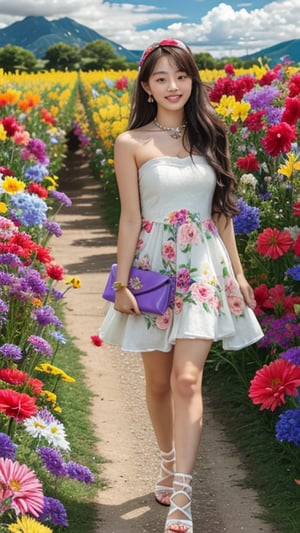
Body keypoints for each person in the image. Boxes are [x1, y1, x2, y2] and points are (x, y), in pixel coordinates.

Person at [99, 38, 263, 533]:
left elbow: (221, 213)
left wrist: (238, 273)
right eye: (162, 78)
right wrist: (122, 282)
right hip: (153, 268)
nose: (174, 86)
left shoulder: (212, 133)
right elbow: (130, 218)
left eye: (182, 76)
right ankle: (166, 461)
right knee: (156, 382)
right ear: (147, 87)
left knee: (187, 380)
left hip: (203, 270)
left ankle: (182, 499)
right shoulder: (131, 143)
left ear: (193, 81)